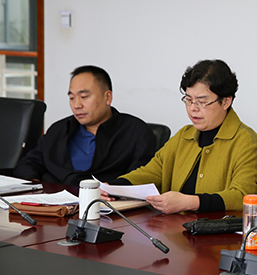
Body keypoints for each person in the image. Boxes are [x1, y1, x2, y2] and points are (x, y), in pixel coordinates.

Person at [114, 59, 257, 214]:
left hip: (221, 227)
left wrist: (189, 202)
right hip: (177, 225)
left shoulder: (246, 141)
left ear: (226, 102)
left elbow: (243, 196)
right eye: (188, 100)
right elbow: (151, 172)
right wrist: (112, 187)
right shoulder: (184, 136)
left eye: (201, 102)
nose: (193, 108)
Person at [13, 66, 156, 186]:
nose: (77, 105)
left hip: (107, 205)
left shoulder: (136, 132)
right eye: (72, 98)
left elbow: (141, 179)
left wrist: (111, 190)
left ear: (107, 97)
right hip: (54, 204)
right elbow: (28, 165)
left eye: (84, 97)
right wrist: (36, 186)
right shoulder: (59, 130)